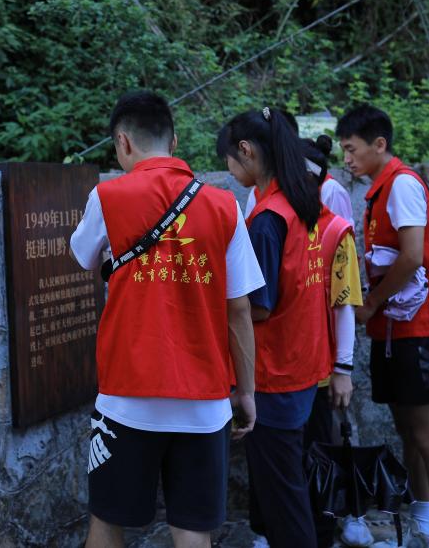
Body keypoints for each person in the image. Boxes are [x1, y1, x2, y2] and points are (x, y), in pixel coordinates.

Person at [70, 90, 264, 548]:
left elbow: (83, 256)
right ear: (174, 141)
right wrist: (247, 391)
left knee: (107, 521)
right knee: (193, 529)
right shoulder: (225, 206)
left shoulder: (106, 197)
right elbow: (239, 310)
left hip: (126, 397)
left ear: (122, 141)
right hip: (204, 402)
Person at [336, 104, 429, 548]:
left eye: (352, 149)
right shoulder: (380, 189)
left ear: (379, 144)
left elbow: (411, 256)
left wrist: (371, 302)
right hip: (396, 332)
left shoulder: (403, 184)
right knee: (410, 433)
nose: (347, 159)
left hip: (420, 330)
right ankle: (421, 531)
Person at [216, 107, 334, 548]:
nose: (229, 170)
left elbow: (258, 307)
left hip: (273, 374)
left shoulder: (268, 220)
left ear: (246, 151)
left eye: (229, 159)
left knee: (283, 500)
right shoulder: (300, 203)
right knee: (291, 486)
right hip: (302, 368)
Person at [299, 136, 372, 548]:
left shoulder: (332, 203)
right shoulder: (270, 209)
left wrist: (343, 365)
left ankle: (345, 518)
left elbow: (343, 296)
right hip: (296, 361)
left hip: (324, 359)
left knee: (330, 443)